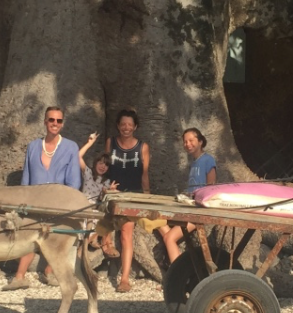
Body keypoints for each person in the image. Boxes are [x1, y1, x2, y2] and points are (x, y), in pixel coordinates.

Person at [3, 106, 81, 290]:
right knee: (30, 235)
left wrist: (65, 205)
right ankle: (19, 277)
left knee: (55, 236)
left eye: (59, 121)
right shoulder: (33, 146)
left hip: (58, 202)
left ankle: (49, 271)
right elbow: (26, 179)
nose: (55, 123)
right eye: (51, 120)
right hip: (34, 202)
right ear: (45, 122)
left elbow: (74, 181)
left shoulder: (70, 147)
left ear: (62, 124)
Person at [104, 108, 150, 293]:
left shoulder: (143, 147)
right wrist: (106, 187)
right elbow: (105, 167)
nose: (126, 128)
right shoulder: (111, 143)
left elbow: (144, 174)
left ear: (135, 127)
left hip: (132, 194)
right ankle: (103, 242)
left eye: (130, 125)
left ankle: (124, 278)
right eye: (123, 124)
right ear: (118, 126)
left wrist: (147, 196)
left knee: (125, 232)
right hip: (114, 193)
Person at [160, 128, 216, 263]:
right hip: (191, 208)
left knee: (169, 238)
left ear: (200, 141)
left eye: (191, 140)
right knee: (159, 220)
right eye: (185, 142)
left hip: (200, 212)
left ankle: (177, 276)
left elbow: (211, 187)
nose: (187, 144)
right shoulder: (194, 162)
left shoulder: (208, 160)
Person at [79, 133, 119, 257]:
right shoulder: (88, 173)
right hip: (83, 206)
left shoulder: (106, 182)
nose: (103, 166)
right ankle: (92, 238)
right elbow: (78, 156)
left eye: (106, 165)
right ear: (95, 163)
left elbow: (103, 201)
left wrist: (110, 191)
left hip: (95, 209)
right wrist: (89, 143)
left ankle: (94, 238)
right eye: (101, 163)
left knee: (104, 216)